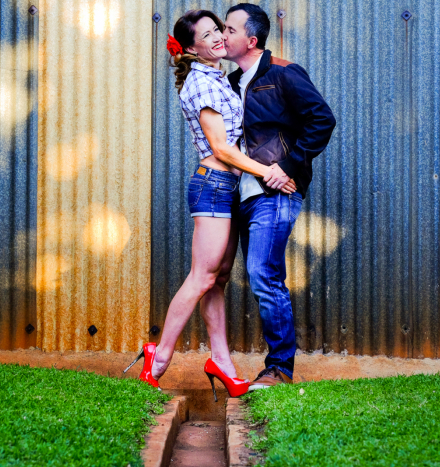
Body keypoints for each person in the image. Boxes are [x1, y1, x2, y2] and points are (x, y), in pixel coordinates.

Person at [124, 9, 296, 401]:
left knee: (217, 280)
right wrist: (270, 171)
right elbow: (221, 147)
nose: (218, 37)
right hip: (214, 185)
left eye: (218, 29)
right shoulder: (200, 84)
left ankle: (221, 361)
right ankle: (159, 356)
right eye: (207, 35)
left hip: (227, 186)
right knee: (202, 277)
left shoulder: (217, 76)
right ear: (190, 48)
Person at [222, 4, 336, 390]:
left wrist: (288, 167)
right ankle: (268, 366)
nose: (222, 34)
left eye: (229, 29)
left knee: (263, 275)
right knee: (255, 276)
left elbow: (322, 119)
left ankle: (279, 370)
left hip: (275, 193)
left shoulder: (284, 74)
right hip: (241, 194)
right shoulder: (232, 81)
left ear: (251, 40)